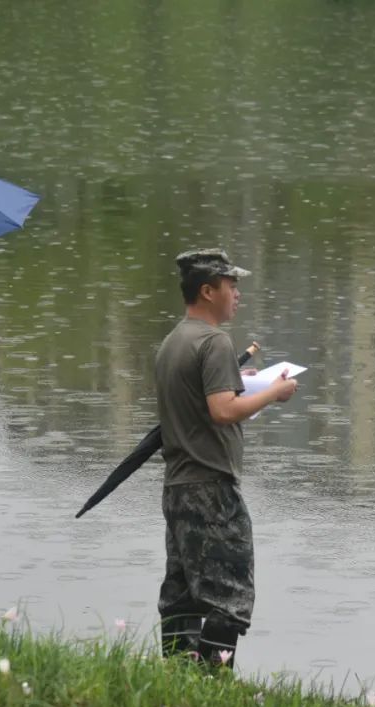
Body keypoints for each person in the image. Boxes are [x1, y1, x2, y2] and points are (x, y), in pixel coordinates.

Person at [155, 249, 298, 669]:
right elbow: (221, 411)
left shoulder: (174, 341)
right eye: (231, 285)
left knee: (181, 595)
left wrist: (240, 382)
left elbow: (201, 399)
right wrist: (273, 393)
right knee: (229, 597)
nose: (237, 294)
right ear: (207, 290)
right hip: (211, 487)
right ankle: (212, 683)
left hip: (178, 486)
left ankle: (176, 678)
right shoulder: (214, 341)